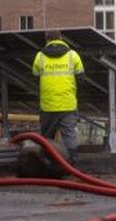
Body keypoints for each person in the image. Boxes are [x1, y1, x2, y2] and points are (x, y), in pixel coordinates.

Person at [32, 30, 85, 164]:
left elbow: (36, 77)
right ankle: (72, 163)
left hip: (48, 105)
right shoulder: (73, 55)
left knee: (47, 139)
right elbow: (81, 78)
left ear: (47, 39)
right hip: (68, 104)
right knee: (69, 135)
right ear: (61, 38)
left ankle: (47, 164)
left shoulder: (40, 57)